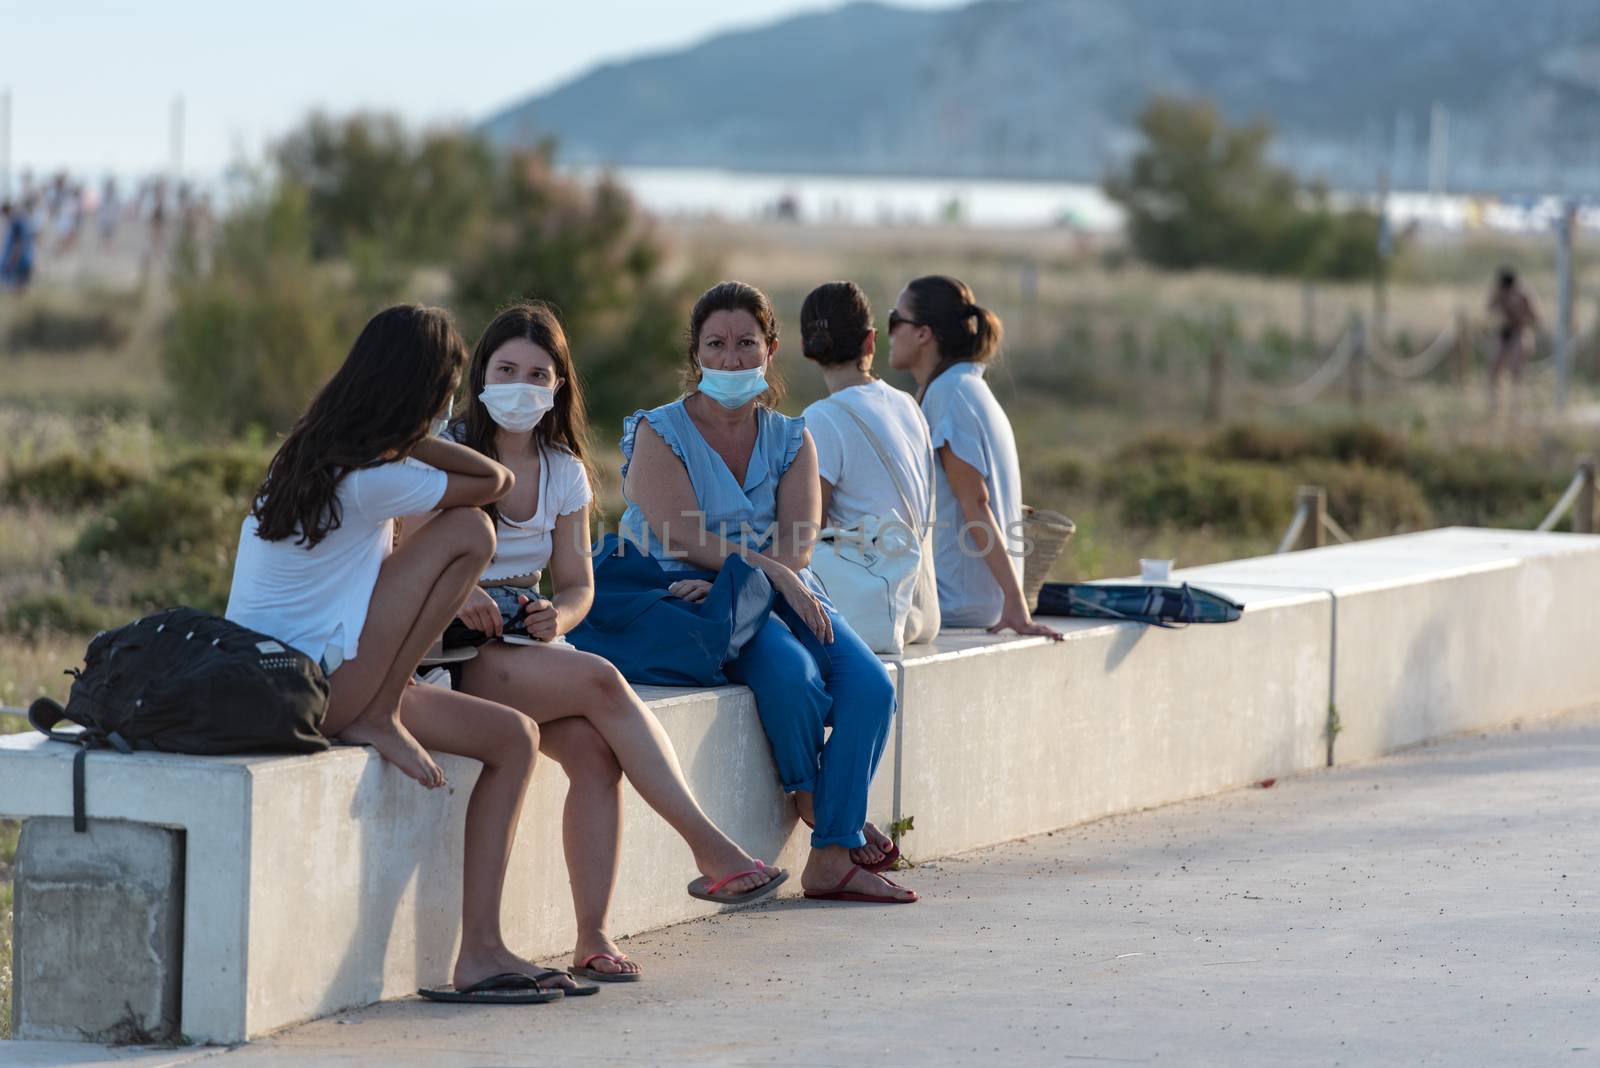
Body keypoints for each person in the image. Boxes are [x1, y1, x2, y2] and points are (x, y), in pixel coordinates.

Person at [226, 304, 583, 1003]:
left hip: (288, 681)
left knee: (515, 738)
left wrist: (396, 426)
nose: (450, 407)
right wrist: (417, 435)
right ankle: (381, 710)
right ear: (423, 395)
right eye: (445, 392)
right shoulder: (372, 474)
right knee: (472, 535)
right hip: (314, 691)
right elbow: (496, 486)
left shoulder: (312, 452)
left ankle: (480, 951)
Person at [440, 302, 785, 981]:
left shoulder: (564, 468)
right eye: (506, 369)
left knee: (597, 754)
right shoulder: (448, 449)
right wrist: (464, 591)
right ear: (481, 375)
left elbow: (576, 585)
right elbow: (406, 552)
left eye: (537, 374)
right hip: (453, 650)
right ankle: (710, 849)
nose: (520, 385)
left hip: (527, 644)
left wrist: (557, 619)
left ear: (559, 386)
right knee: (601, 682)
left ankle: (592, 938)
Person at [618, 280, 916, 904]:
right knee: (792, 677)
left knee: (871, 686)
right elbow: (680, 535)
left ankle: (829, 855)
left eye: (746, 344)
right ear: (696, 352)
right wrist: (766, 574)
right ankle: (826, 821)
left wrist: (772, 575)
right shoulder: (658, 431)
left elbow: (799, 544)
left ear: (771, 349)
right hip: (697, 596)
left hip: (777, 587)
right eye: (717, 345)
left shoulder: (791, 436)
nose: (731, 359)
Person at [887, 275, 1062, 639]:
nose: (887, 333)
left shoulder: (949, 395)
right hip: (973, 600)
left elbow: (976, 503)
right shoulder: (964, 387)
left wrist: (1016, 604)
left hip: (957, 604)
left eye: (894, 320)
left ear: (923, 333)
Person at [798, 280, 940, 647]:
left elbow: (806, 533)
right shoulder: (908, 404)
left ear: (806, 348)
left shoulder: (822, 417)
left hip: (873, 613)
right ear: (870, 341)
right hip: (924, 609)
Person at [1488, 267, 1539, 413]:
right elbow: (1489, 308)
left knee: (1516, 370)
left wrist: (1519, 318)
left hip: (1520, 332)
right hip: (1504, 334)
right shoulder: (1498, 292)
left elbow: (1535, 317)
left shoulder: (1524, 294)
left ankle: (1517, 405)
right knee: (1494, 368)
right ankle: (1495, 404)